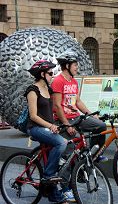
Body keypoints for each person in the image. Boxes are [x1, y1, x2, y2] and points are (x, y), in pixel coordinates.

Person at [51, 52, 107, 201]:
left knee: (101, 126)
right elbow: (57, 105)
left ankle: (92, 159)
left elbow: (78, 102)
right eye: (75, 65)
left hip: (77, 118)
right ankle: (65, 187)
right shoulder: (58, 81)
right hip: (64, 121)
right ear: (67, 66)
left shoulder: (74, 82)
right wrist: (66, 124)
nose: (77, 67)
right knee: (72, 152)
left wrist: (91, 114)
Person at [25, 60, 68, 204]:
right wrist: (50, 126)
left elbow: (54, 109)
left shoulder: (48, 90)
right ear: (42, 74)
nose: (53, 75)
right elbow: (33, 116)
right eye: (50, 73)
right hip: (35, 128)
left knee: (63, 149)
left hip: (49, 127)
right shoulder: (32, 90)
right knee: (61, 143)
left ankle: (54, 195)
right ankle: (48, 176)